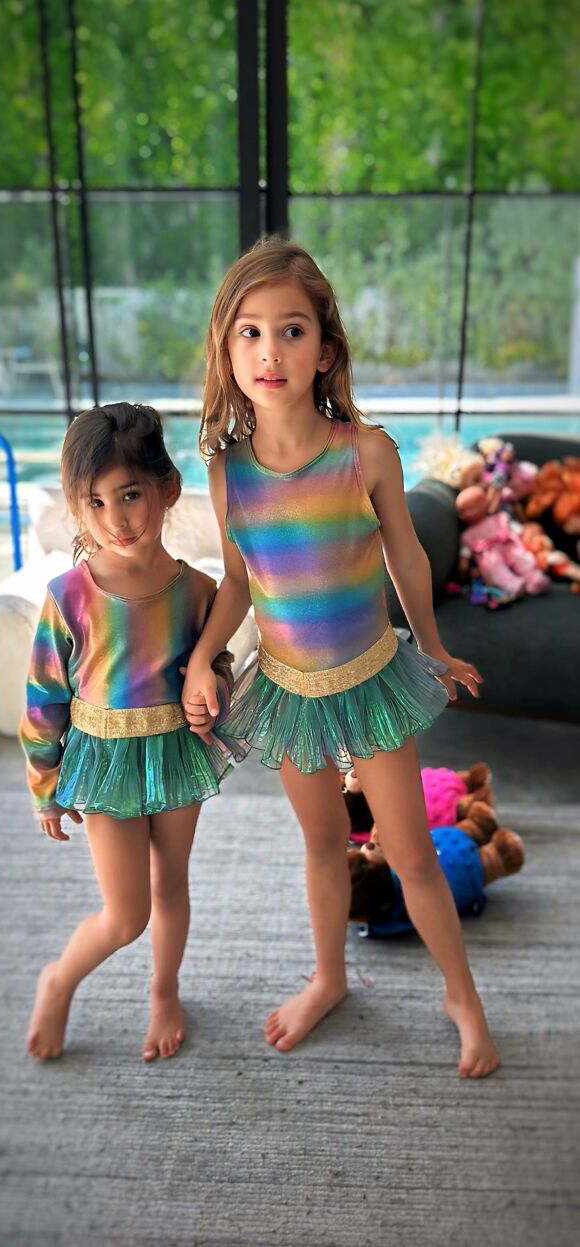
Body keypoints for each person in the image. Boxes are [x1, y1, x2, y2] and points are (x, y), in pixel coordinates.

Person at [182, 238, 500, 1078]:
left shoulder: (367, 451)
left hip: (370, 680)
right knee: (323, 844)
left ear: (325, 349)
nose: (269, 351)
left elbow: (407, 559)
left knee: (410, 851)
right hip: (287, 689)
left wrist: (430, 646)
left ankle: (461, 994)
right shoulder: (227, 474)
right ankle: (329, 977)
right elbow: (241, 578)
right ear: (227, 348)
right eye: (248, 332)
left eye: (291, 331)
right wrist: (204, 656)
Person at [20, 402, 244, 1062]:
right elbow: (43, 696)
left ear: (166, 489)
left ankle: (165, 991)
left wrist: (216, 695)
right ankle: (59, 979)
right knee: (127, 914)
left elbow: (219, 664)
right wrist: (45, 781)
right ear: (76, 509)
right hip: (103, 761)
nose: (116, 518)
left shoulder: (199, 590)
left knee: (172, 885)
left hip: (177, 752)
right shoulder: (69, 596)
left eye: (130, 494)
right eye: (95, 502)